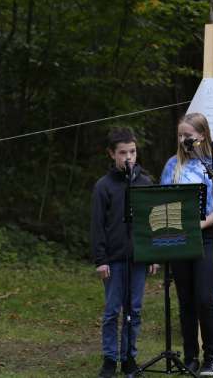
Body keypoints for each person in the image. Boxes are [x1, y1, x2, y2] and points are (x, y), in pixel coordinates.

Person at [159, 112, 213, 376]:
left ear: (202, 136)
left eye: (188, 136)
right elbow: (164, 200)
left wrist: (203, 222)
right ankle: (190, 356)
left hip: (208, 237)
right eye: (180, 135)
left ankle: (212, 358)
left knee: (206, 297)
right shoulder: (173, 165)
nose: (183, 140)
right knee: (186, 299)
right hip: (179, 238)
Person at [90, 127, 159, 378]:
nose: (128, 157)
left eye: (132, 152)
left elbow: (150, 222)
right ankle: (110, 359)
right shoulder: (104, 186)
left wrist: (152, 255)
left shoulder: (144, 182)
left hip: (139, 258)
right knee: (112, 311)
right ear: (111, 154)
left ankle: (129, 356)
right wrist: (101, 259)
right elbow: (98, 226)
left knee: (135, 309)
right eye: (122, 153)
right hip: (114, 259)